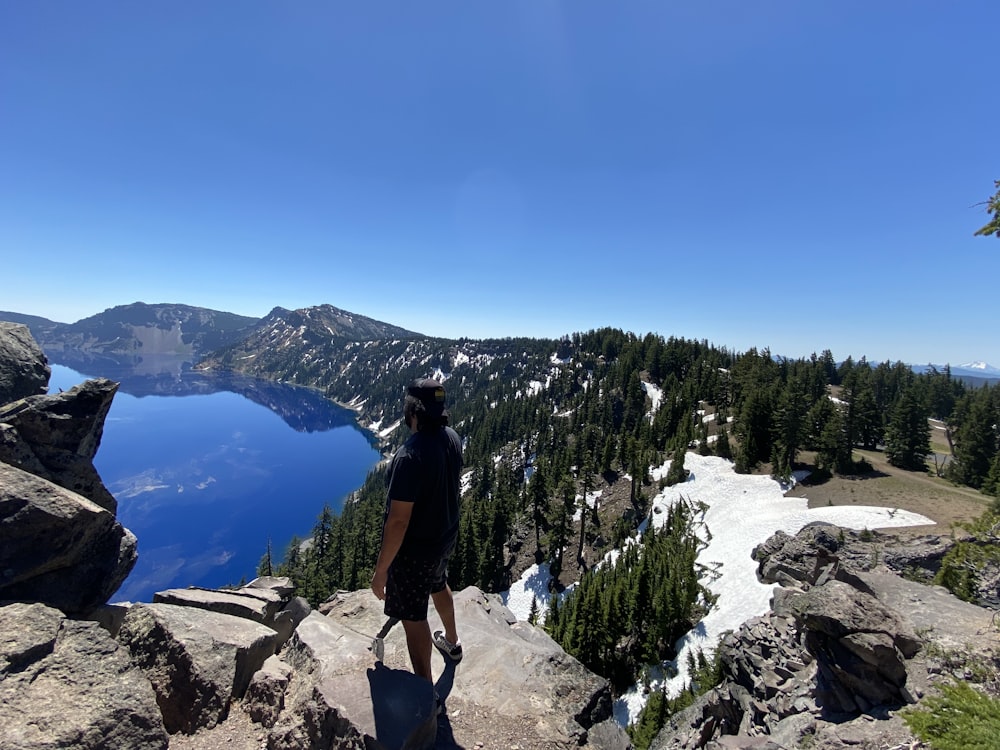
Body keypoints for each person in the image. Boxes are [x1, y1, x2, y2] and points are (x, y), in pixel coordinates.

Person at [371, 378, 464, 681]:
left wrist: (382, 569)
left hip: (414, 552)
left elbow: (398, 521)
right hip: (443, 538)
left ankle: (425, 692)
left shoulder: (409, 456)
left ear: (412, 410)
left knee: (413, 617)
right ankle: (451, 642)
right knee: (438, 583)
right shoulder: (451, 437)